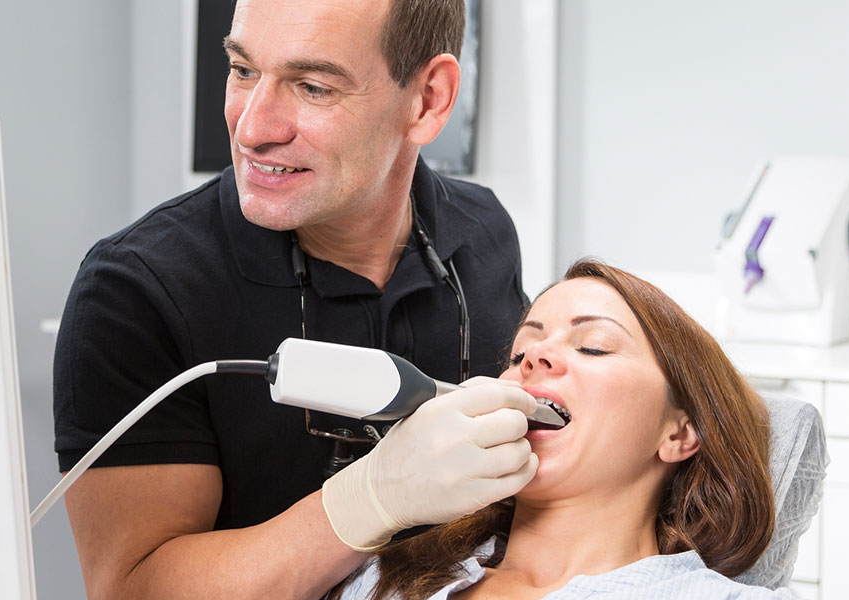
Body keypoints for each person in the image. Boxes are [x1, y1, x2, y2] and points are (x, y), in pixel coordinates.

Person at [52, 1, 536, 598]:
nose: (252, 128)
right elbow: (132, 589)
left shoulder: (483, 231)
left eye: (312, 87)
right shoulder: (137, 290)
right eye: (243, 70)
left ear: (429, 100)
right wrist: (370, 499)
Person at [330, 259, 795, 599]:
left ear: (679, 433)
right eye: (518, 356)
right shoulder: (381, 580)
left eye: (593, 347)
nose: (534, 358)